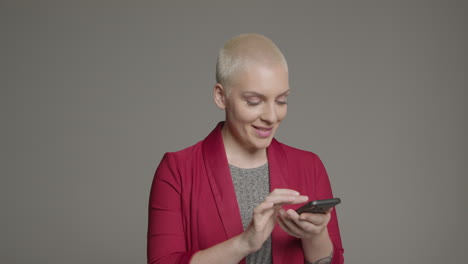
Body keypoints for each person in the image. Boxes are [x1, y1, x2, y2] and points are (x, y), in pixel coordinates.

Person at [147, 33, 344, 264]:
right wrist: (245, 242)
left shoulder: (309, 166)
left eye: (281, 100)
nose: (271, 117)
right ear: (221, 96)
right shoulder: (177, 171)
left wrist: (315, 235)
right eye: (254, 101)